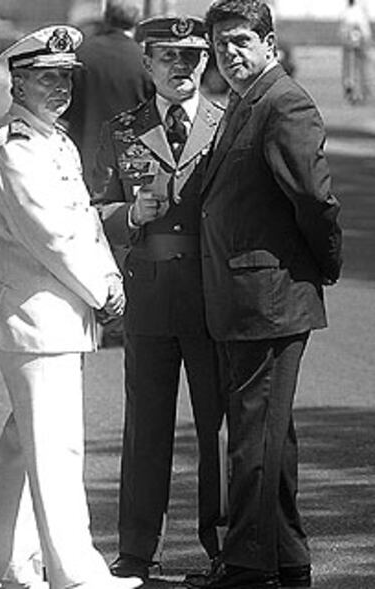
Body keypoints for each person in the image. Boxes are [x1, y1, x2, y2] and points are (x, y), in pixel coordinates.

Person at [0, 25, 142, 589]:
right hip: (38, 320)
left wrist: (107, 274)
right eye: (46, 78)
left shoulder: (55, 141)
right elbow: (52, 234)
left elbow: (84, 222)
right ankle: (77, 575)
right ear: (17, 82)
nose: (60, 88)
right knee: (57, 453)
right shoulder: (14, 147)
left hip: (55, 320)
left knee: (24, 447)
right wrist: (106, 286)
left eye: (65, 78)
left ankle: (3, 567)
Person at [186, 1, 342, 588]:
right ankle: (288, 558)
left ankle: (249, 568)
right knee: (269, 435)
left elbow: (315, 199)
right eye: (221, 44)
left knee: (252, 440)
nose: (230, 52)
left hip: (269, 300)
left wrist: (323, 264)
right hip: (244, 300)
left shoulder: (284, 102)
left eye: (242, 41)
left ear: (270, 44)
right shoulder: (243, 102)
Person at [91, 16, 227, 581]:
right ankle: (138, 549)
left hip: (211, 293)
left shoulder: (227, 124)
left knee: (217, 426)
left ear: (206, 63)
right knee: (145, 427)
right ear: (146, 64)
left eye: (192, 57)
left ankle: (225, 547)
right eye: (168, 56)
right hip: (149, 294)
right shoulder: (124, 129)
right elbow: (93, 210)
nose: (181, 68)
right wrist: (127, 214)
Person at [65, 0, 155, 186]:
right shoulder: (145, 61)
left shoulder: (81, 55)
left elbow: (63, 109)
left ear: (106, 18)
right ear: (138, 21)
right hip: (131, 162)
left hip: (84, 157)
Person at [339, 0, 372, 105]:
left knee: (350, 69)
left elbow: (344, 30)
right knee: (359, 69)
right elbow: (365, 31)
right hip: (358, 43)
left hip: (351, 44)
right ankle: (359, 92)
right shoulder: (359, 12)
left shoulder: (347, 13)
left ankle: (354, 91)